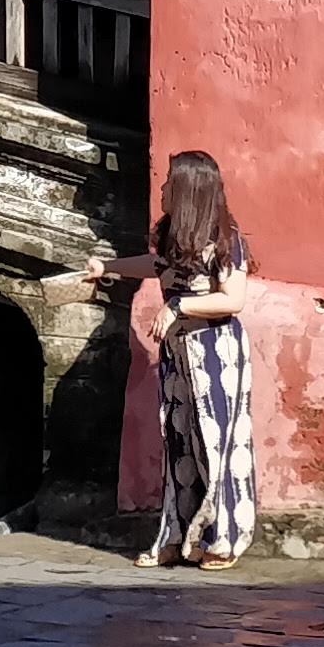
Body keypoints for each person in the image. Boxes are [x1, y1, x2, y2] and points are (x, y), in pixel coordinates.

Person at [113, 149, 257, 568]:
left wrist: (176, 308)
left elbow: (234, 299)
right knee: (179, 443)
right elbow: (155, 266)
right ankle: (177, 537)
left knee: (217, 445)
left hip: (215, 353)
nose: (160, 189)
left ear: (189, 189)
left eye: (168, 183)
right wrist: (107, 265)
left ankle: (223, 539)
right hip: (178, 354)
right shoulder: (174, 235)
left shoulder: (226, 240)